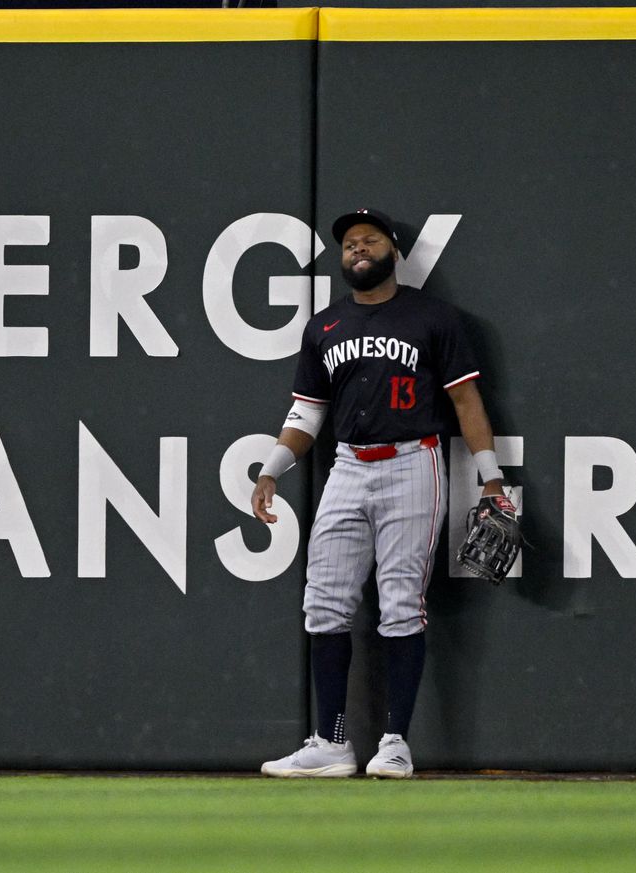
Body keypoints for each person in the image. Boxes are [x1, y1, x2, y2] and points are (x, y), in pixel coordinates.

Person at [254, 208, 506, 778]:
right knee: (323, 604)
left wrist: (491, 478)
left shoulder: (433, 319)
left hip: (413, 460)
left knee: (400, 605)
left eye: (368, 241)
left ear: (393, 250)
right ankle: (332, 741)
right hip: (347, 465)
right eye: (347, 245)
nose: (356, 250)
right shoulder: (324, 326)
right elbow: (307, 413)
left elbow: (467, 404)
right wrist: (272, 469)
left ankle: (394, 741)